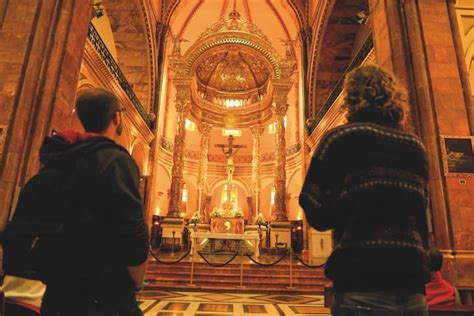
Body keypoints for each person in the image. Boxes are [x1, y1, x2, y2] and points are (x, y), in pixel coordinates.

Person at [299, 65, 431, 315]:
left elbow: (315, 209)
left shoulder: (339, 140)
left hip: (360, 278)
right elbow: (421, 213)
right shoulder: (415, 146)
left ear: (350, 98)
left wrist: (350, 208)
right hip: (411, 281)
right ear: (395, 96)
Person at [39, 88, 149, 315]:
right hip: (103, 291)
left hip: (58, 287)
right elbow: (132, 231)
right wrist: (135, 283)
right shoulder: (116, 160)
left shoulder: (56, 156)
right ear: (117, 117)